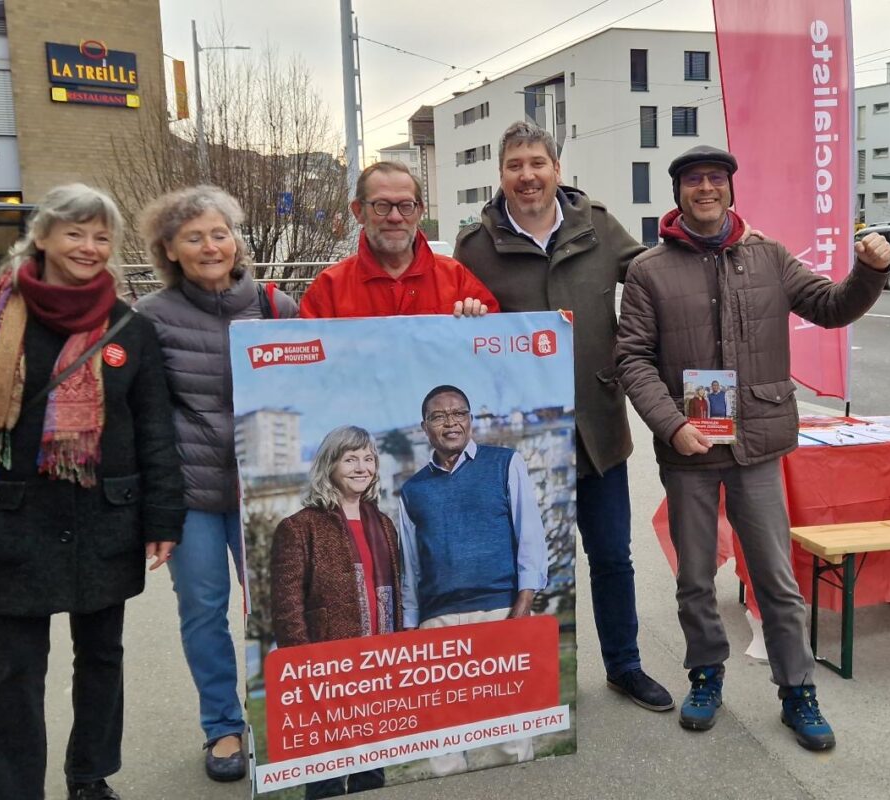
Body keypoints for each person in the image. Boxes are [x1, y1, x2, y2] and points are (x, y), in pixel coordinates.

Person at [0, 184, 185, 800]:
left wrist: (164, 517)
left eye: (101, 236)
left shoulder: (127, 327)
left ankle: (89, 776)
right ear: (42, 237)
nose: (89, 247)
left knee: (102, 658)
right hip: (8, 521)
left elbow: (154, 432)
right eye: (75, 233)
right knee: (15, 671)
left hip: (105, 519)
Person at [615, 145, 890, 752]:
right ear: (679, 193)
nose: (706, 189)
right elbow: (631, 358)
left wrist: (869, 272)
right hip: (690, 448)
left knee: (775, 579)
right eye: (694, 181)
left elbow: (830, 307)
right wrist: (670, 424)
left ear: (731, 190)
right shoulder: (649, 270)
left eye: (716, 179)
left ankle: (797, 692)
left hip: (759, 442)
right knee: (694, 578)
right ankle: (706, 675)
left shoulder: (768, 257)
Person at [453, 120, 674, 712]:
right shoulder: (475, 247)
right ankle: (520, 681)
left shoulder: (597, 226)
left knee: (611, 557)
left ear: (556, 169)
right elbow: (455, 334)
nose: (527, 176)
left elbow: (654, 274)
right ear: (500, 175)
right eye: (514, 165)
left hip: (597, 427)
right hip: (519, 439)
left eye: (537, 163)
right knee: (525, 565)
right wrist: (466, 313)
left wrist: (708, 241)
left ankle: (624, 666)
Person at [132, 186, 298, 782]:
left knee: (277, 609)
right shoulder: (151, 318)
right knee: (203, 611)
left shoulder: (279, 307)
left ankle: (284, 715)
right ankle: (223, 726)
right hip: (193, 495)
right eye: (193, 237)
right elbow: (144, 415)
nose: (210, 246)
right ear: (169, 249)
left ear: (237, 240)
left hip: (269, 489)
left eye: (219, 233)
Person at [396, 385, 547, 774]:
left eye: (459, 413)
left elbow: (529, 533)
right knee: (444, 740)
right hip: (438, 619)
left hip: (499, 610)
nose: (451, 423)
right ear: (424, 427)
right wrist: (413, 626)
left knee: (509, 734)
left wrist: (524, 603)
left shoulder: (505, 463)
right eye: (439, 416)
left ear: (470, 420)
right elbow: (409, 565)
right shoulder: (411, 491)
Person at [268, 425, 400, 798]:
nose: (362, 467)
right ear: (329, 465)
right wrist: (306, 666)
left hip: (378, 663)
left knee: (372, 772)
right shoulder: (299, 527)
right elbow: (287, 608)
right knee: (326, 776)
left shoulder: (384, 524)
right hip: (327, 668)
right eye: (350, 458)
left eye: (369, 458)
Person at [301, 161, 497, 318]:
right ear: (358, 211)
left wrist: (479, 321)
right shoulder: (329, 289)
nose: (395, 217)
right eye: (382, 205)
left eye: (405, 205)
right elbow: (307, 362)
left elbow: (497, 347)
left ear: (420, 210)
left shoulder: (457, 280)